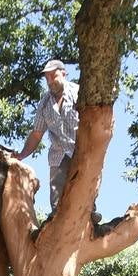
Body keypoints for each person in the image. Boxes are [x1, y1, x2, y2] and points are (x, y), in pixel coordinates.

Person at [14, 59, 101, 222]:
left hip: (81, 149)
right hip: (59, 154)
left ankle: (90, 216)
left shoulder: (78, 92)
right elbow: (36, 134)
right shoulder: (45, 103)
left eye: (53, 76)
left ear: (64, 73)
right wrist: (21, 155)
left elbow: (92, 121)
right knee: (57, 196)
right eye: (46, 78)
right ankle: (56, 220)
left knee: (87, 187)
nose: (50, 81)